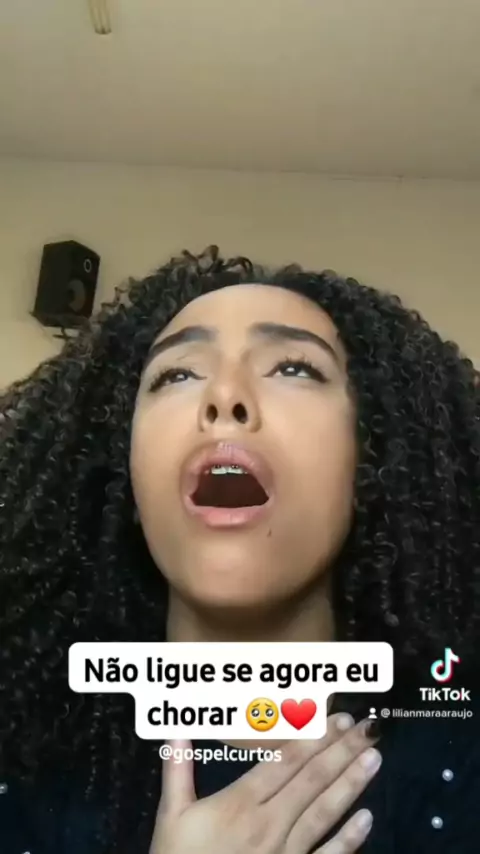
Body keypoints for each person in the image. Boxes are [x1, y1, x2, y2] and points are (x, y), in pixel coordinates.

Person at [0, 245, 479, 854]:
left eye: (294, 368)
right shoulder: (21, 751)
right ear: (121, 472)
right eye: (177, 374)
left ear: (374, 459)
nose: (226, 395)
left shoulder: (459, 753)